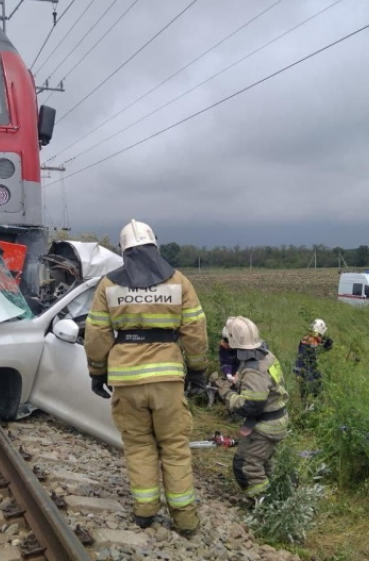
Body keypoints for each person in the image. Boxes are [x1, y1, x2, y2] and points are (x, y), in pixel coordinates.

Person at [85, 219, 207, 534]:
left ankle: (144, 512)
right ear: (155, 247)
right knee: (174, 447)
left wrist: (97, 374)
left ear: (123, 251)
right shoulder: (178, 281)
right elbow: (194, 330)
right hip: (167, 378)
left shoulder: (108, 286)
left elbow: (96, 335)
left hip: (125, 380)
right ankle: (185, 520)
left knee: (139, 446)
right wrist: (197, 371)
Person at [211, 316, 289, 501]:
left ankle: (265, 506)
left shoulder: (253, 368)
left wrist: (226, 393)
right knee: (266, 464)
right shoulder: (267, 355)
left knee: (246, 468)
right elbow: (264, 386)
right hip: (275, 418)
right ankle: (279, 498)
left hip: (265, 425)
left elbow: (250, 406)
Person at [294, 318, 333, 400]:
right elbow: (301, 356)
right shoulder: (308, 340)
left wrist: (327, 347)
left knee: (319, 383)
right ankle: (306, 406)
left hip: (312, 367)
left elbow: (316, 352)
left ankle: (316, 405)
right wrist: (298, 371)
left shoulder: (314, 339)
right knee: (310, 387)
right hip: (305, 368)